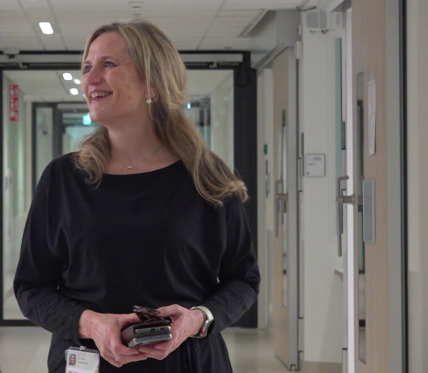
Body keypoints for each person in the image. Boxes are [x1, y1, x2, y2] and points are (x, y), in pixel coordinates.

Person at [14, 19, 260, 372]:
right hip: (89, 361)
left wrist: (197, 319)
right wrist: (92, 324)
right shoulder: (64, 178)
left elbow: (243, 281)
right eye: (87, 67)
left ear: (154, 82)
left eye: (108, 64)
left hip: (187, 362)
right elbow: (31, 287)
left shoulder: (207, 176)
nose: (90, 78)